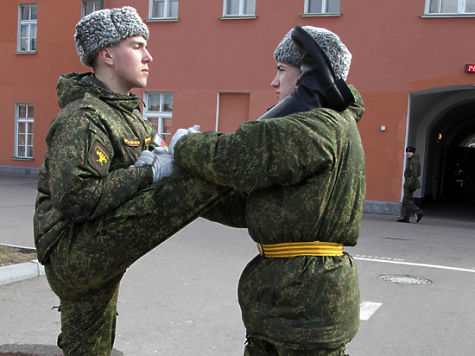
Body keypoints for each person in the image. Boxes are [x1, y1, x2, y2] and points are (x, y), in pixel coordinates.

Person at [33, 7, 226, 355]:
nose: (148, 56)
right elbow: (77, 198)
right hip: (72, 250)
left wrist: (171, 160)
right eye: (137, 46)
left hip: (94, 246)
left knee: (89, 347)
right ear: (106, 54)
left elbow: (161, 158)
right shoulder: (83, 117)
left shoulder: (129, 115)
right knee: (201, 176)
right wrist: (151, 172)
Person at [170, 26, 365, 355]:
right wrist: (187, 189)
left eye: (280, 70)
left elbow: (242, 153)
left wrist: (183, 145)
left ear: (308, 75)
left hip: (304, 309)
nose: (273, 82)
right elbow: (248, 205)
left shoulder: (323, 125)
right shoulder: (323, 127)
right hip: (287, 306)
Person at [397, 146, 424, 223]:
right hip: (410, 181)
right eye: (407, 152)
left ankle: (418, 212)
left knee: (407, 200)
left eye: (410, 152)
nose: (408, 153)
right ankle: (406, 217)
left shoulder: (413, 161)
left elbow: (414, 174)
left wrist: (409, 184)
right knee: (408, 200)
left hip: (411, 182)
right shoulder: (412, 160)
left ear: (413, 152)